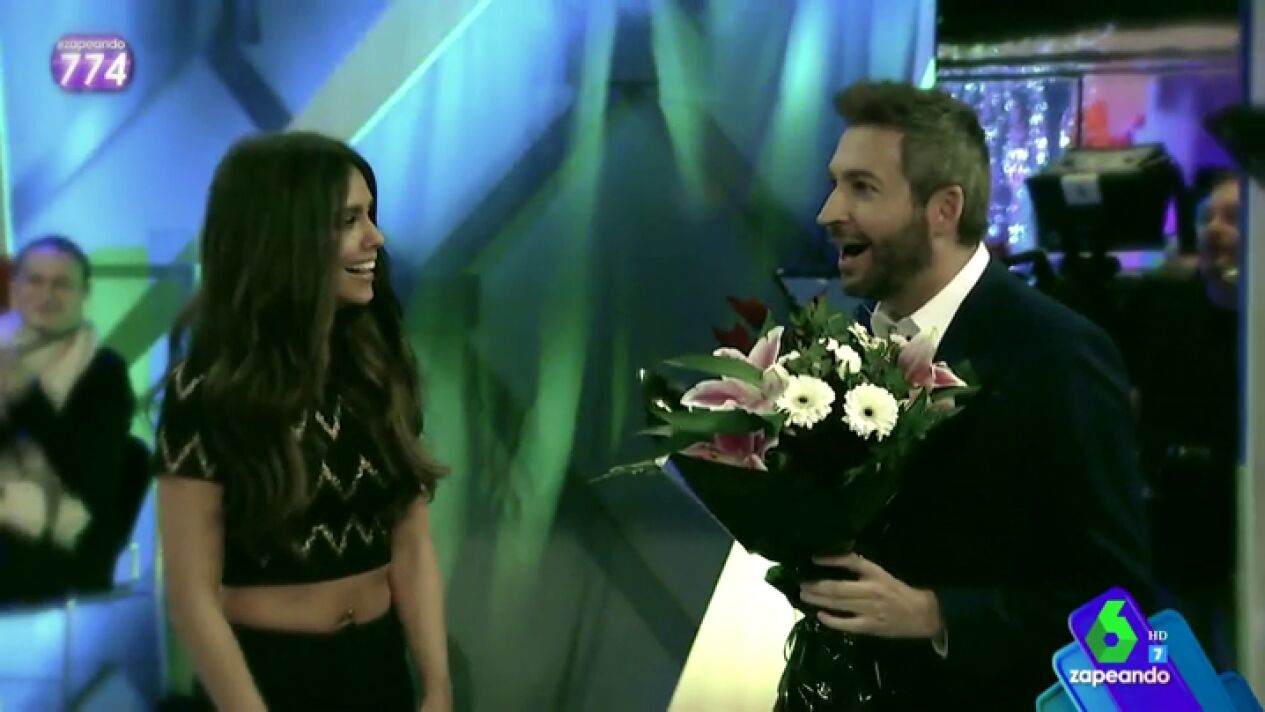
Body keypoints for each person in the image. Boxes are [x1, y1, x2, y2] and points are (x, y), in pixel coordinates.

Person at [794, 81, 1151, 708]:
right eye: (835, 184)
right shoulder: (845, 345)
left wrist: (937, 615)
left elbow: (1118, 606)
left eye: (862, 188)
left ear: (944, 209)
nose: (829, 212)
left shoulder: (1058, 354)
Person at [155, 132, 452, 711]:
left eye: (370, 215)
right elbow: (190, 597)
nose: (375, 238)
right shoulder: (207, 388)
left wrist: (437, 686)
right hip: (266, 676)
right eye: (349, 220)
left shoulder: (376, 366)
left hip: (378, 668)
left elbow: (412, 544)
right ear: (284, 238)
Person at [1123, 173, 1240, 670]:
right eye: (1206, 217)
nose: (1214, 229)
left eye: (1233, 218)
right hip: (1175, 531)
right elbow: (1133, 403)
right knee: (1177, 676)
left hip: (1241, 527)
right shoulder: (1164, 306)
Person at [0, 236, 136, 603]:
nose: (46, 295)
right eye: (35, 281)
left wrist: (27, 396)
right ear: (15, 286)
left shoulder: (105, 372)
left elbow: (90, 478)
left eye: (61, 284)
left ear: (84, 293)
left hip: (56, 554)